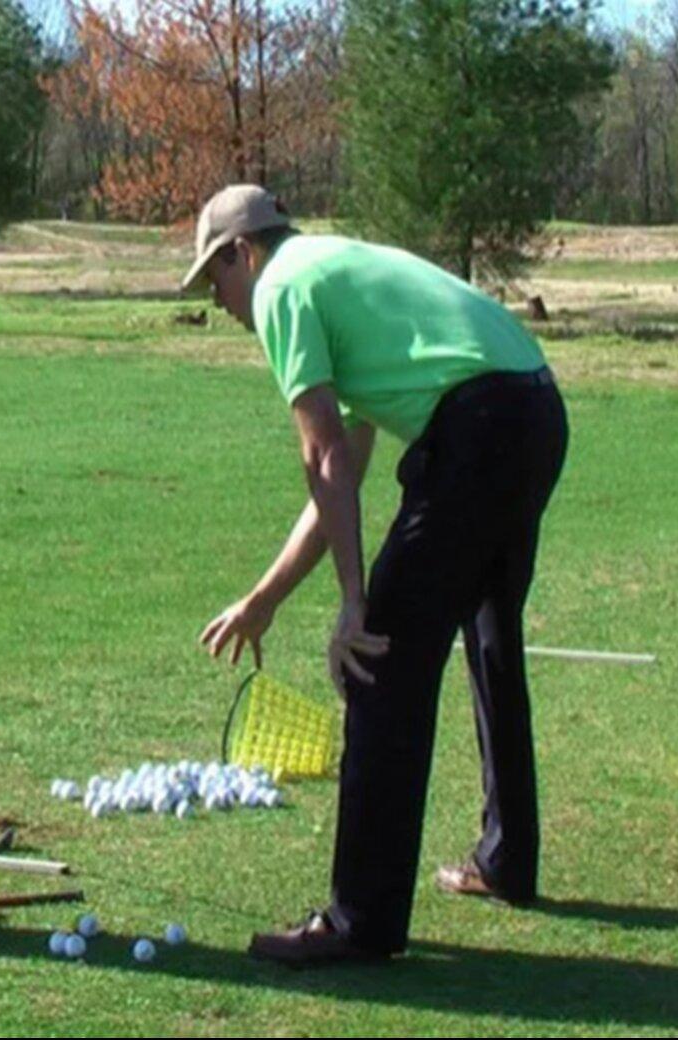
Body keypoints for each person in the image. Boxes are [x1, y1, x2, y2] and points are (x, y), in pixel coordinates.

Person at [191, 185, 569, 966]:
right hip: (534, 410)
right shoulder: (336, 271)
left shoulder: (284, 288)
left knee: (379, 666)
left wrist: (356, 608)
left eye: (214, 279)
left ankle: (359, 921)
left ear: (243, 252)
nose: (219, 302)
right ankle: (509, 859)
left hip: (480, 425)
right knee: (490, 635)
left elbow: (322, 455)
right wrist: (265, 599)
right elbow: (345, 475)